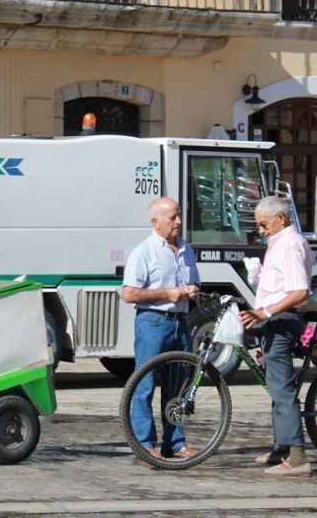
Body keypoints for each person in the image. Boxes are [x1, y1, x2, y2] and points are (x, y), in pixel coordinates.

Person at [239, 196, 314, 478]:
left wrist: (265, 312)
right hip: (274, 320)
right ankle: (283, 446)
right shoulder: (278, 244)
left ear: (280, 219)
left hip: (281, 322)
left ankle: (298, 456)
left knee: (282, 388)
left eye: (263, 224)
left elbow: (299, 292)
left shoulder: (290, 245)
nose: (260, 230)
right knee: (276, 385)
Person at [122, 197, 200, 460]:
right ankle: (144, 443)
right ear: (156, 222)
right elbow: (130, 294)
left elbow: (196, 282)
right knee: (145, 384)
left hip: (181, 323)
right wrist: (167, 293)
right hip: (154, 322)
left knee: (178, 387)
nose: (178, 221)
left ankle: (175, 443)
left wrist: (192, 291)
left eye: (179, 216)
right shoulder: (143, 252)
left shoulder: (186, 249)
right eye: (172, 218)